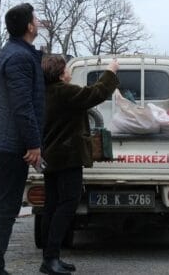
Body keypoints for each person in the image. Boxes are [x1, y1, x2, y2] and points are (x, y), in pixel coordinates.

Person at [0, 3, 45, 275]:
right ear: (29, 26)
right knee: (6, 207)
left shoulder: (12, 52)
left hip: (2, 141)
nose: (38, 22)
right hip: (10, 143)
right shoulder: (19, 57)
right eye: (36, 19)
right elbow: (22, 105)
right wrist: (33, 143)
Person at [38, 55, 119, 275]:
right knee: (66, 205)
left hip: (52, 157)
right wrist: (111, 71)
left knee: (51, 206)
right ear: (60, 72)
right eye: (66, 68)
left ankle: (50, 256)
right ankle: (50, 259)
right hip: (67, 157)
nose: (69, 71)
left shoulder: (44, 93)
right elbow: (96, 93)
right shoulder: (64, 92)